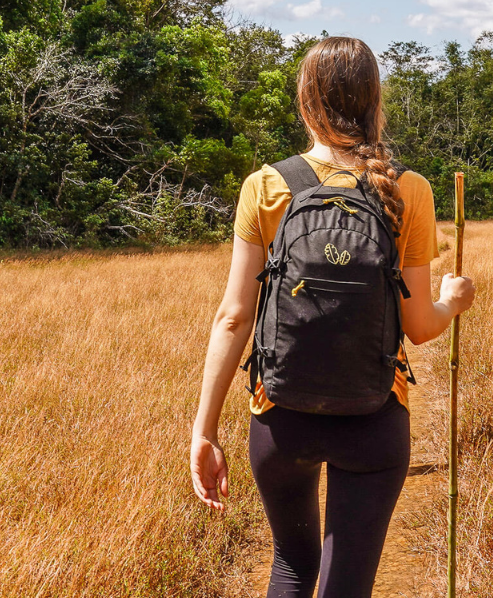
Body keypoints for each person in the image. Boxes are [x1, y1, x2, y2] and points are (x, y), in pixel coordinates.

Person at [190, 36, 476, 597]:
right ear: (375, 101)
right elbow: (419, 327)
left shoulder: (266, 186)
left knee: (292, 568)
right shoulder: (408, 190)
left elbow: (232, 317)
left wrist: (204, 430)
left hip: (280, 415)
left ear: (305, 101)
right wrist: (453, 300)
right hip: (374, 416)